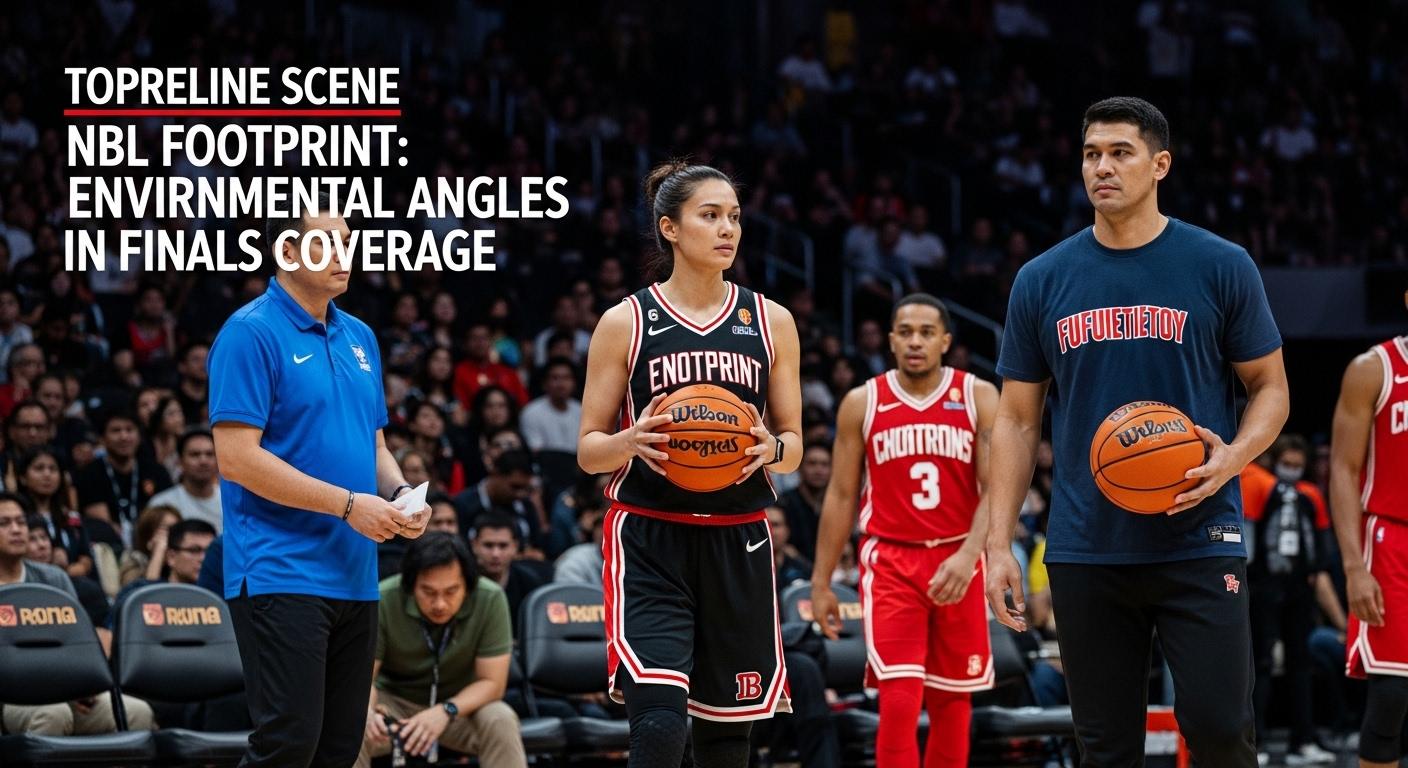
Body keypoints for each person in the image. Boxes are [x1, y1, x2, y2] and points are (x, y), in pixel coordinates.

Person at [983, 97, 1289, 768]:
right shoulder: (1042, 279)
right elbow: (1014, 418)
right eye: (1092, 153)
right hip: (1088, 542)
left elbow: (1271, 387)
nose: (1102, 167)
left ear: (1160, 164)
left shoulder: (1220, 264)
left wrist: (1234, 457)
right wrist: (998, 541)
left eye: (1120, 153)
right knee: (1105, 747)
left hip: (1198, 534)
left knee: (1217, 727)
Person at [577, 161, 802, 767]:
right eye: (710, 216)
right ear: (670, 228)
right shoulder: (625, 321)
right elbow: (588, 448)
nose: (728, 229)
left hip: (739, 539)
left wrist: (769, 448)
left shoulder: (772, 320)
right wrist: (631, 440)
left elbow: (795, 443)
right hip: (651, 534)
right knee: (658, 726)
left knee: (727, 742)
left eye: (733, 216)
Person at [208, 196, 430, 768]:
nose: (344, 253)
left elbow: (373, 444)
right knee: (288, 743)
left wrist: (401, 492)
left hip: (354, 572)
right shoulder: (248, 333)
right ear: (286, 250)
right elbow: (236, 458)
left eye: (348, 241)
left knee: (338, 748)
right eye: (326, 241)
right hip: (280, 566)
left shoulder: (361, 337)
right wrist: (349, 504)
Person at [812, 294, 998, 768]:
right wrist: (822, 582)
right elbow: (839, 495)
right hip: (892, 562)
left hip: (960, 558)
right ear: (891, 340)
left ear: (946, 342)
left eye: (926, 332)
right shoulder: (862, 401)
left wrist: (969, 554)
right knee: (898, 700)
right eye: (906, 332)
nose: (915, 341)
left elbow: (997, 488)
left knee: (953, 704)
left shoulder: (978, 395)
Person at [358, 532, 526, 768]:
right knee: (351, 721)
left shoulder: (491, 598)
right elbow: (365, 678)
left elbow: (493, 684)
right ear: (410, 585)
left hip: (459, 707)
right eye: (428, 592)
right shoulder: (384, 598)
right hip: (394, 705)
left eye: (451, 592)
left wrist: (446, 711)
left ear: (468, 586)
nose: (439, 604)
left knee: (501, 719)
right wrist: (367, 711)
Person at [0, 493, 156, 735]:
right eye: (4, 523)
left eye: (21, 522)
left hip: (66, 689)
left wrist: (82, 683)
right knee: (52, 713)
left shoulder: (53, 578)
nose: (17, 530)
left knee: (136, 712)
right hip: (11, 696)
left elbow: (76, 643)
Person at [1329, 314, 1408, 768]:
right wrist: (1354, 566)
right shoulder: (1373, 368)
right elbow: (1343, 469)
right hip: (1391, 541)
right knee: (1392, 698)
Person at [1240, 435, 1337, 765]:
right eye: (1287, 463)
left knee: (1301, 662)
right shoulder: (1258, 484)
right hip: (1264, 587)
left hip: (1299, 590)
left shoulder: (1310, 496)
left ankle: (1303, 741)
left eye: (1298, 466)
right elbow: (1248, 541)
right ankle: (1258, 742)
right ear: (1275, 459)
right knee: (1261, 663)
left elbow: (1320, 549)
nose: (1291, 471)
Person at [73, 409, 173, 541]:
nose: (124, 436)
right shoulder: (91, 473)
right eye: (116, 430)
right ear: (103, 439)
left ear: (139, 436)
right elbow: (101, 524)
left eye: (129, 430)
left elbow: (166, 516)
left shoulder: (156, 471)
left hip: (152, 540)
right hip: (109, 545)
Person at [469, 512, 545, 627]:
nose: (496, 554)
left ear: (515, 547)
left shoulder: (530, 584)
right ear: (474, 545)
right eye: (488, 545)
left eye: (503, 546)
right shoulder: (463, 581)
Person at [146, 429, 222, 532]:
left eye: (209, 454)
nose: (203, 461)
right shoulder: (162, 504)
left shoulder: (230, 502)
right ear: (180, 461)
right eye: (195, 454)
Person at [775, 441, 830, 562]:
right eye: (812, 463)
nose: (818, 470)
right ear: (799, 467)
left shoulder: (836, 506)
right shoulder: (784, 502)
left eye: (825, 464)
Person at [520, 357, 582, 454]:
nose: (561, 384)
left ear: (574, 383)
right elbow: (536, 451)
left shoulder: (581, 410)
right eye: (555, 378)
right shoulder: (531, 412)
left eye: (566, 378)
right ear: (544, 384)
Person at [117, 505, 180, 586]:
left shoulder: (186, 558)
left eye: (177, 529)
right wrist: (159, 552)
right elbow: (143, 595)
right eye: (167, 529)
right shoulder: (134, 561)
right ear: (148, 534)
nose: (174, 535)